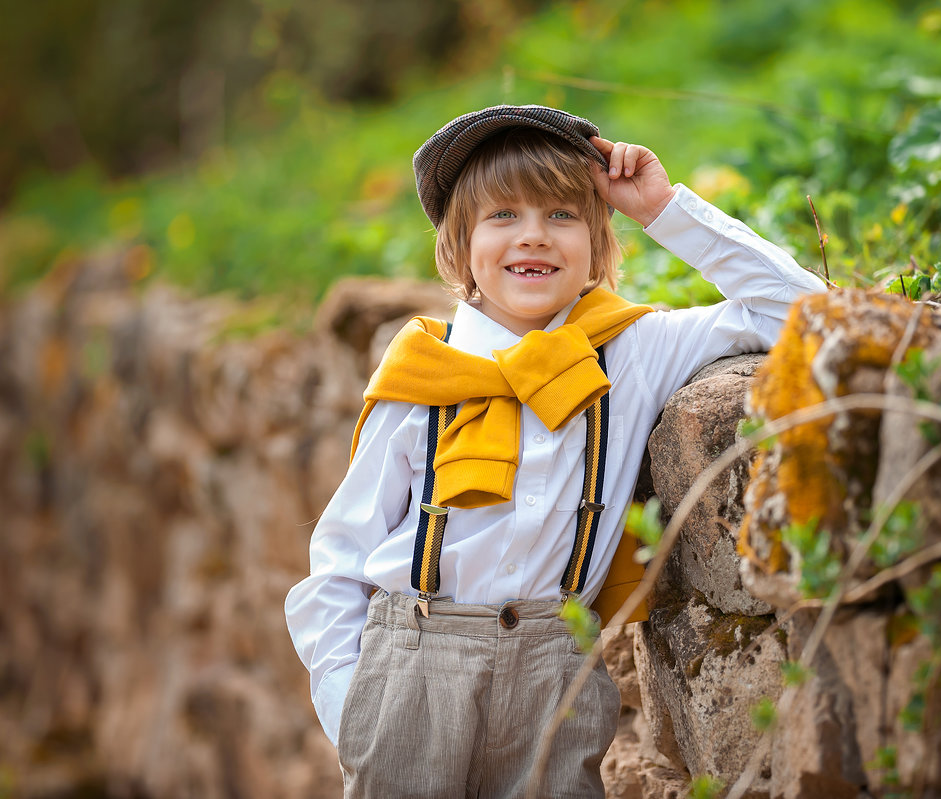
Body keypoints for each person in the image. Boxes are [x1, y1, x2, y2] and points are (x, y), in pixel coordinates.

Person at [284, 104, 827, 798]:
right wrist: (351, 708)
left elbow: (801, 312)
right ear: (459, 248)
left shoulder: (634, 351)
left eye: (563, 215)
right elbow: (338, 560)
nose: (533, 237)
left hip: (554, 673)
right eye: (503, 216)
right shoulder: (422, 374)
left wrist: (664, 210)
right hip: (410, 674)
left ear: (599, 241)